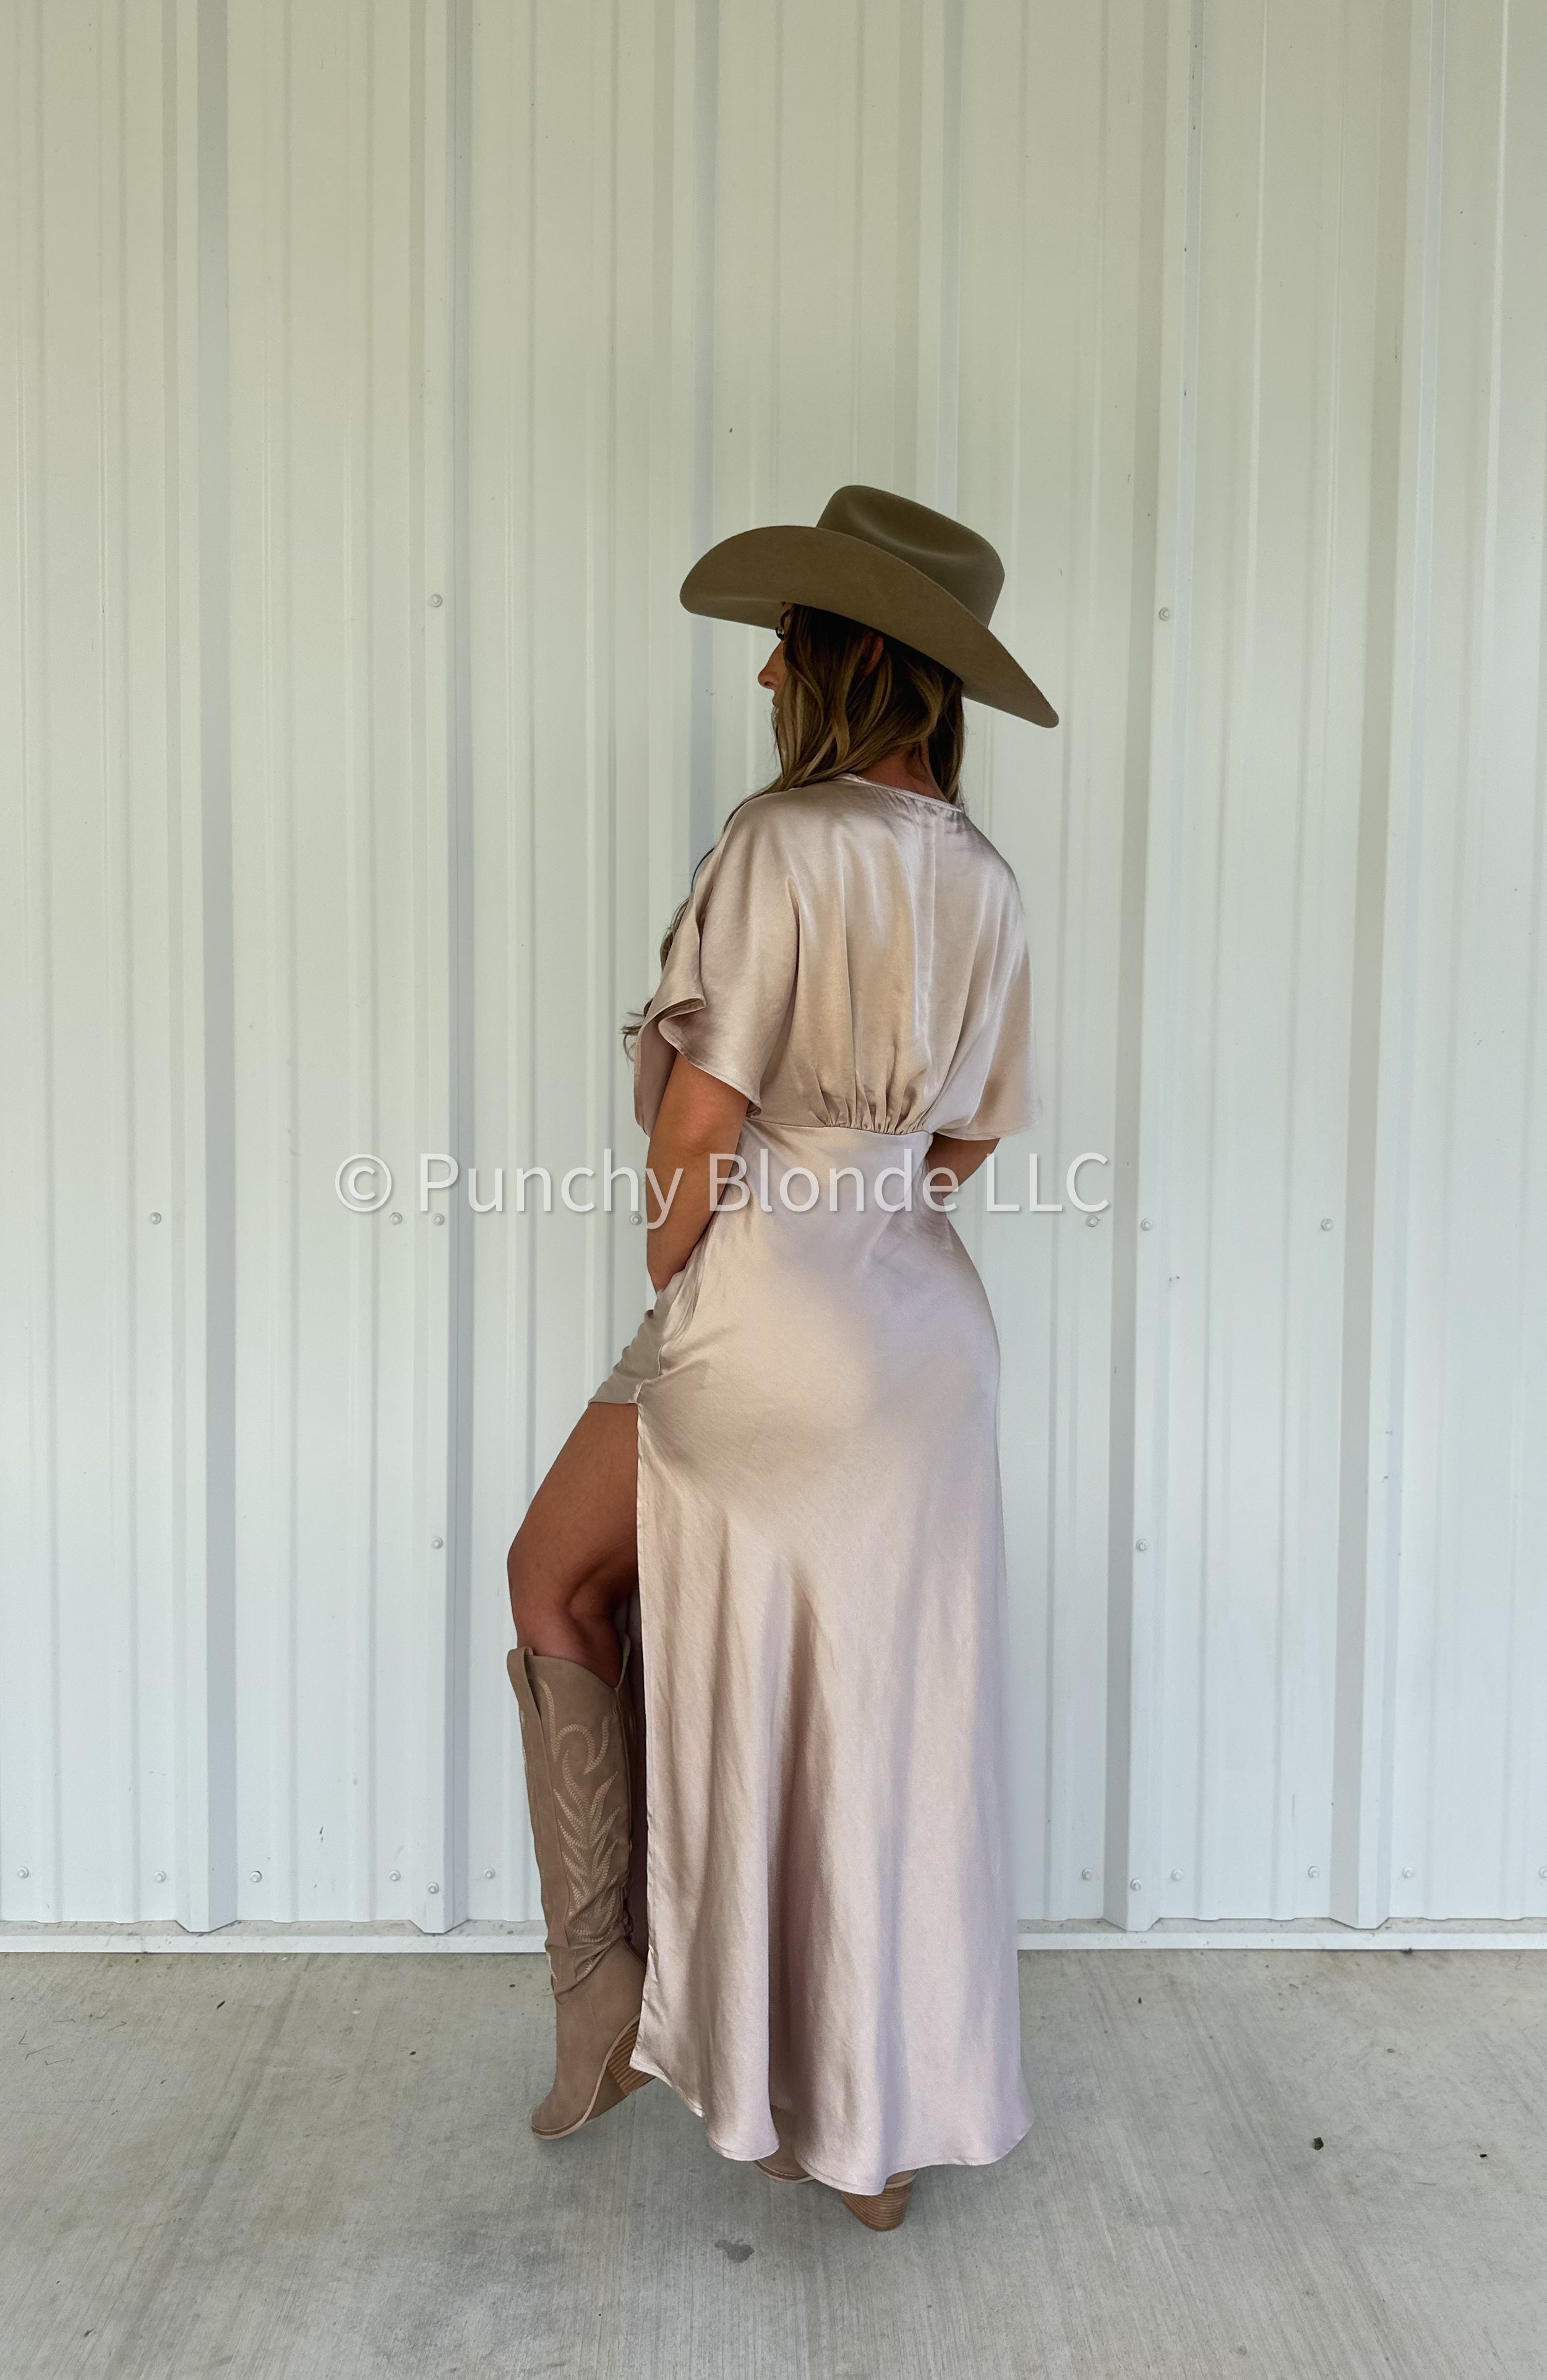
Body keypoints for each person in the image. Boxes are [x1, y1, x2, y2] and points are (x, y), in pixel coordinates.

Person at [505, 483, 1056, 2232]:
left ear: (853, 657)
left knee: (553, 1579)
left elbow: (700, 1122)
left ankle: (616, 2003)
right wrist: (865, 1206)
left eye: (786, 643)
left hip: (764, 1311)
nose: (762, 677)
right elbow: (974, 1135)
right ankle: (865, 2137)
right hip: (925, 1333)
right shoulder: (984, 876)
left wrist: (684, 1265)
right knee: (870, 1712)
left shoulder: (782, 839)